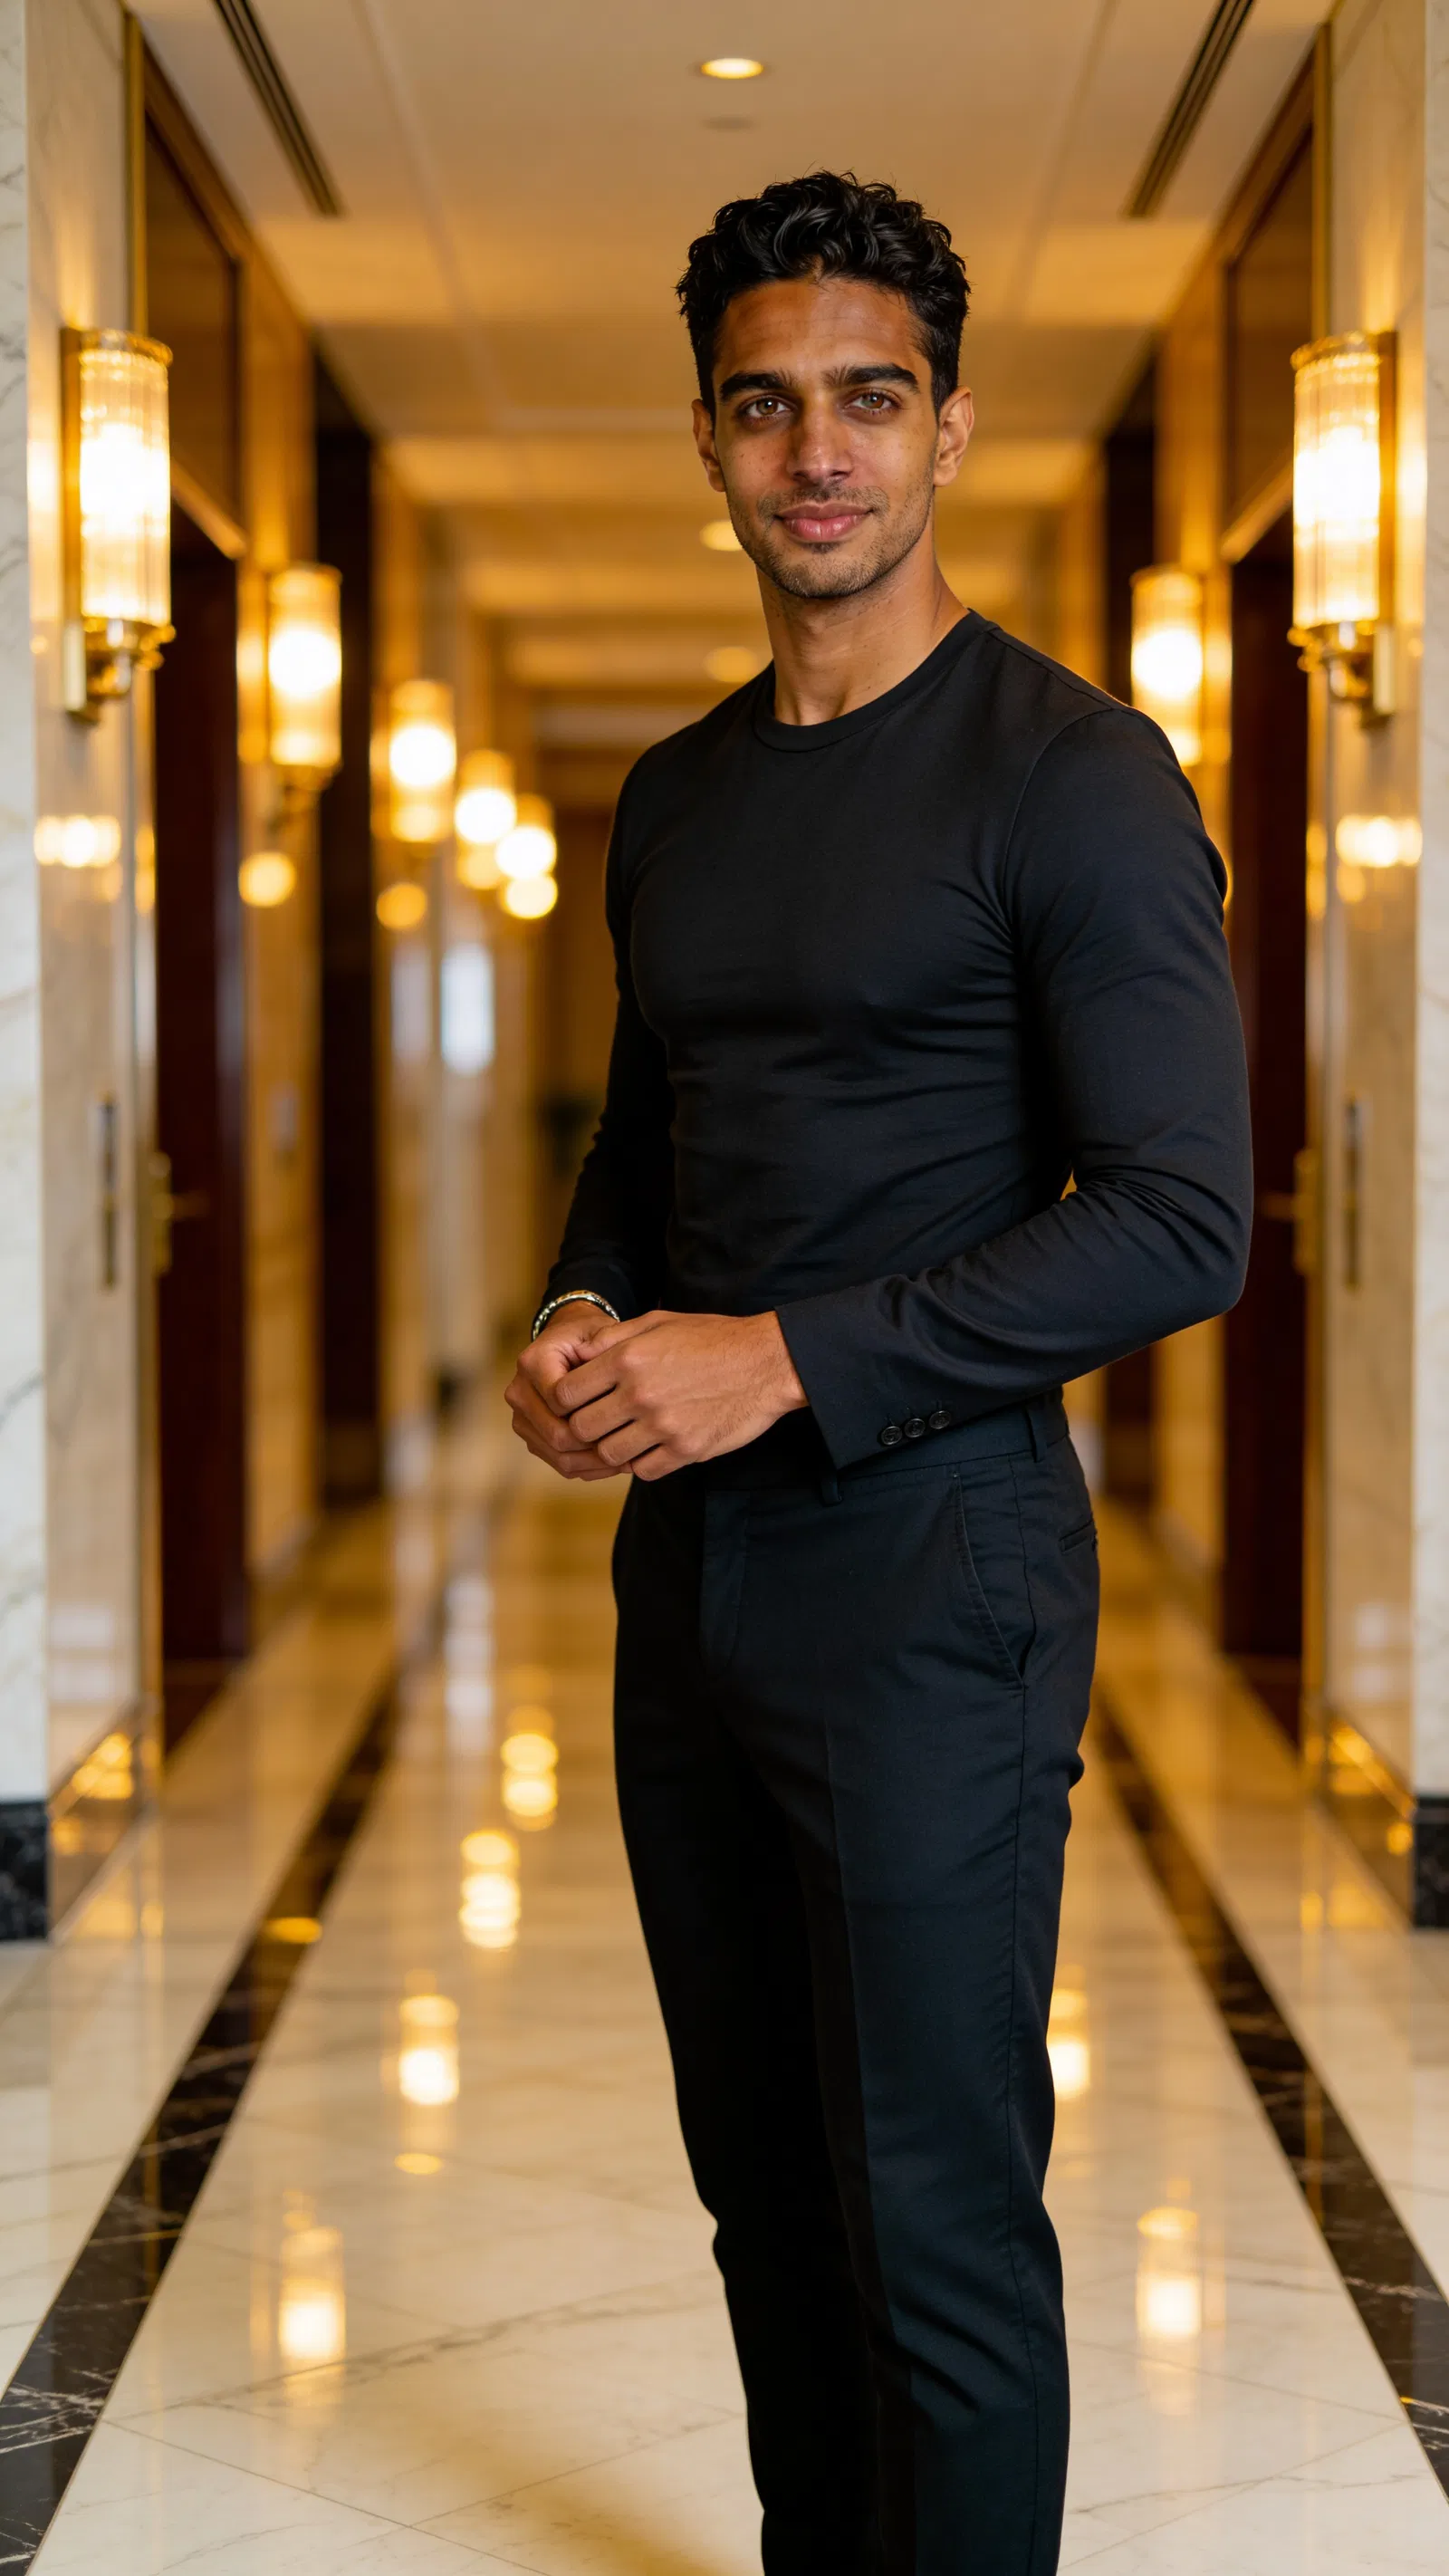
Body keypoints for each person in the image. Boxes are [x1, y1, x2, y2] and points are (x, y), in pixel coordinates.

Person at [505, 170, 1251, 2576]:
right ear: (707, 441)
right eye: (764, 403)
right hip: (686, 1587)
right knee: (766, 2190)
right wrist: (584, 1312)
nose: (814, 448)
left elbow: (1178, 1219)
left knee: (931, 2201)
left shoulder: (1072, 775)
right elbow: (650, 1143)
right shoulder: (684, 796)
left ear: (944, 427)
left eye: (867, 397)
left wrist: (790, 1363)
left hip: (941, 1569)